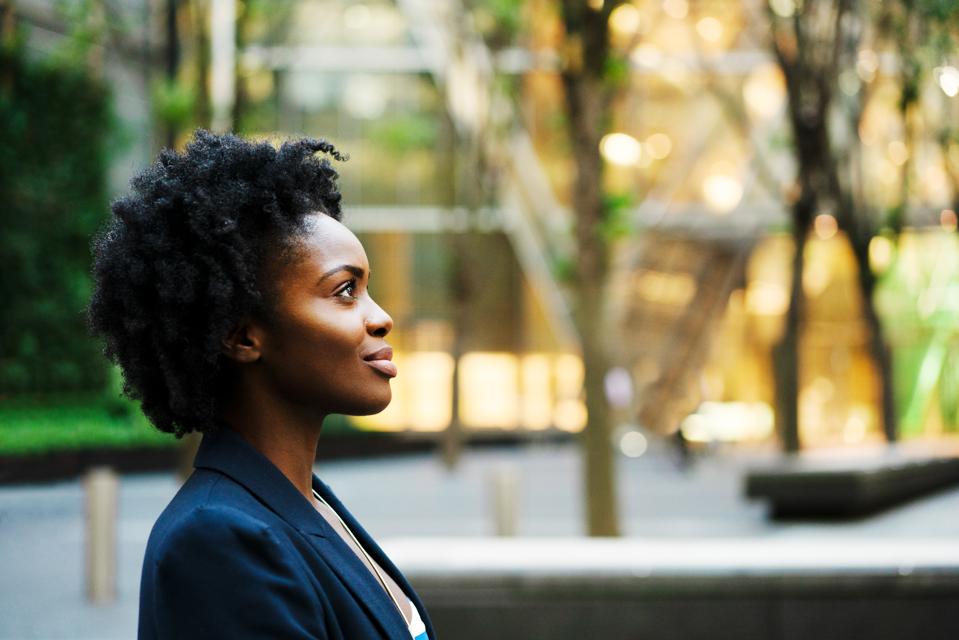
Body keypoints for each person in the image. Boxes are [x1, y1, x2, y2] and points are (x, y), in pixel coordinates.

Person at [89, 130, 435, 640]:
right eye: (345, 291)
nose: (380, 317)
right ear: (243, 335)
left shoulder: (301, 503)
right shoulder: (217, 540)